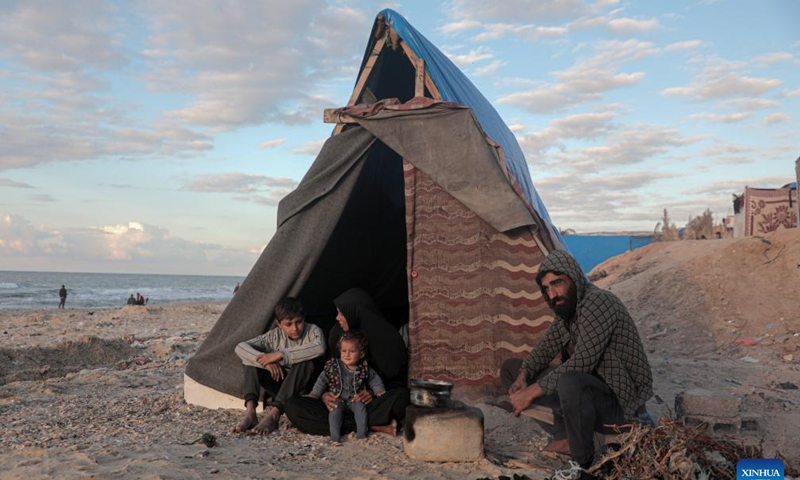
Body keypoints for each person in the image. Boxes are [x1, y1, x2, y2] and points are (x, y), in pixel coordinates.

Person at [503, 250, 653, 479]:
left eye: (557, 283)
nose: (552, 293)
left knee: (570, 380)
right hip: (587, 396)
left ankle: (582, 458)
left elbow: (583, 362)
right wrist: (523, 376)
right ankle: (567, 435)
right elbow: (544, 348)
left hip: (621, 407)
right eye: (546, 289)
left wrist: (531, 392)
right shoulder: (568, 312)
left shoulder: (598, 302)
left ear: (573, 277)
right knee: (511, 368)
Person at [284, 288, 409, 437]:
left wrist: (372, 394)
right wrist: (325, 395)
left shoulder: (388, 338)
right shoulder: (338, 334)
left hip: (369, 404)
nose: (337, 317)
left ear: (354, 312)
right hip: (338, 401)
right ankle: (371, 425)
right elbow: (328, 373)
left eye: (341, 313)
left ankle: (349, 425)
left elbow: (396, 382)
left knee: (404, 397)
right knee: (292, 406)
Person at [233, 297, 325, 435]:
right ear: (279, 324)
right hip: (281, 386)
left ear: (304, 318)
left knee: (305, 361)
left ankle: (274, 414)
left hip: (304, 389)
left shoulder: (313, 331)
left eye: (298, 322)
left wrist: (280, 355)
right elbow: (240, 347)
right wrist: (267, 362)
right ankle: (250, 412)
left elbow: (319, 348)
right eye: (288, 324)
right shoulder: (274, 336)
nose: (295, 328)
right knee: (249, 360)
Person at [305, 331, 385, 442]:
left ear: (361, 354)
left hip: (355, 399)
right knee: (334, 412)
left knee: (361, 410)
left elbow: (374, 379)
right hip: (338, 398)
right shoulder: (334, 366)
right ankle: (335, 436)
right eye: (344, 351)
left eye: (352, 351)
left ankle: (361, 434)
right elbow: (322, 380)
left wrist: (379, 390)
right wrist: (314, 394)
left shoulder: (364, 368)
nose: (347, 354)